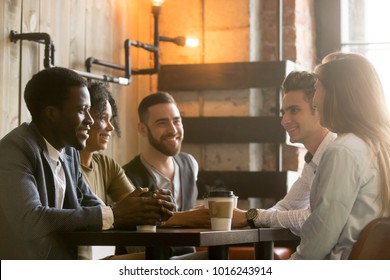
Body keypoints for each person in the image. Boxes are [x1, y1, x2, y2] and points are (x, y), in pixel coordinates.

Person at [0, 67, 175, 260]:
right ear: (52, 113)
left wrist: (145, 206)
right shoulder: (14, 150)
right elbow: (30, 219)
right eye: (82, 110)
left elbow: (89, 201)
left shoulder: (69, 152)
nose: (90, 120)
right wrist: (115, 214)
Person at [290, 52, 390, 259]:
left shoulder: (343, 151)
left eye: (317, 89)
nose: (314, 101)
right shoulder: (380, 146)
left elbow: (318, 241)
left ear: (337, 94)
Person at [234, 71, 336, 237]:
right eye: (283, 112)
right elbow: (287, 206)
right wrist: (253, 217)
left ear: (318, 108)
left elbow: (314, 219)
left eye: (294, 110)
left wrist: (252, 216)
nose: (284, 121)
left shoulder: (336, 154)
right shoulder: (313, 159)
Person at [121, 91, 210, 257]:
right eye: (162, 123)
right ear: (142, 129)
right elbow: (131, 235)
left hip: (190, 259)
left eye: (177, 121)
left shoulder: (190, 164)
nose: (173, 129)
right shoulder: (126, 175)